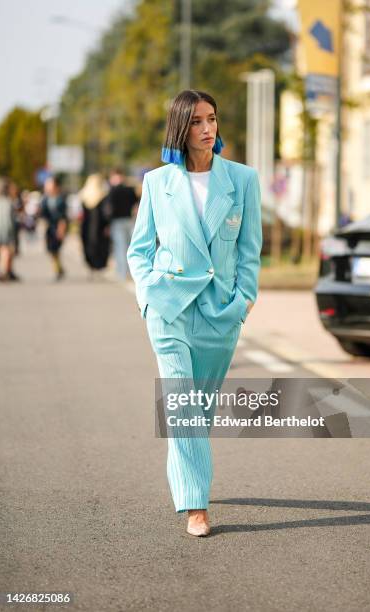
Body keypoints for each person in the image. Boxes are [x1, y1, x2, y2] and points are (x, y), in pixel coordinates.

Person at [127, 90, 262, 536]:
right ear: (180, 129)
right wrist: (148, 296)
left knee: (198, 409)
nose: (208, 129)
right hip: (169, 307)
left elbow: (250, 251)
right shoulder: (156, 182)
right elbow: (140, 250)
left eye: (212, 119)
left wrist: (243, 300)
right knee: (183, 404)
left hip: (221, 311)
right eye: (198, 122)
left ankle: (190, 474)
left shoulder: (242, 180)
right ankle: (195, 506)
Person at [107, 168, 138, 280]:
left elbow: (108, 209)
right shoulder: (130, 189)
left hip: (117, 222)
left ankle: (122, 272)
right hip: (130, 221)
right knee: (131, 248)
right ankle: (131, 272)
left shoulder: (112, 190)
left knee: (120, 247)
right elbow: (136, 204)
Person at [79, 173, 111, 277]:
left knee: (88, 244)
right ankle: (99, 265)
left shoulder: (83, 195)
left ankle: (91, 265)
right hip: (99, 226)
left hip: (86, 225)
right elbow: (106, 213)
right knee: (100, 245)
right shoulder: (103, 195)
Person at [41, 175, 68, 281]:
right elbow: (43, 215)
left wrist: (61, 229)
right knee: (51, 249)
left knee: (55, 248)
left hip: (58, 227)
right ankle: (59, 268)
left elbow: (63, 217)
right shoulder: (45, 199)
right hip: (50, 228)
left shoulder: (61, 200)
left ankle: (57, 270)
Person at [0, 177, 17, 282]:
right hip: (4, 231)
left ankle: (4, 272)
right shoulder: (7, 203)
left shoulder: (1, 202)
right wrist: (11, 235)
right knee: (5, 251)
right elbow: (8, 221)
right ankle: (3, 272)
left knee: (1, 251)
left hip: (0, 230)